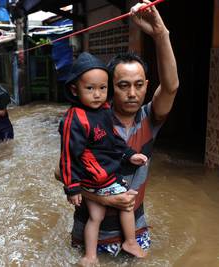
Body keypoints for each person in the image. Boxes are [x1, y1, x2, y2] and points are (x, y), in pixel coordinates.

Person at [55, 0, 179, 257]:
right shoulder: (90, 119)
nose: (132, 93)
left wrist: (160, 34)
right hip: (90, 230)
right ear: (110, 88)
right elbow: (59, 172)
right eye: (123, 85)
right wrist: (105, 199)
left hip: (135, 229)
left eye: (138, 85)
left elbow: (170, 87)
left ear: (146, 85)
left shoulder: (150, 119)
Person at [59, 52, 149, 266]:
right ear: (74, 89)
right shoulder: (75, 119)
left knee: (95, 217)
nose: (97, 94)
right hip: (98, 176)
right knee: (127, 202)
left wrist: (129, 155)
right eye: (90, 89)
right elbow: (67, 156)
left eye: (102, 88)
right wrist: (72, 188)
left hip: (98, 176)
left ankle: (90, 257)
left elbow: (114, 140)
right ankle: (130, 242)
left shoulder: (104, 110)